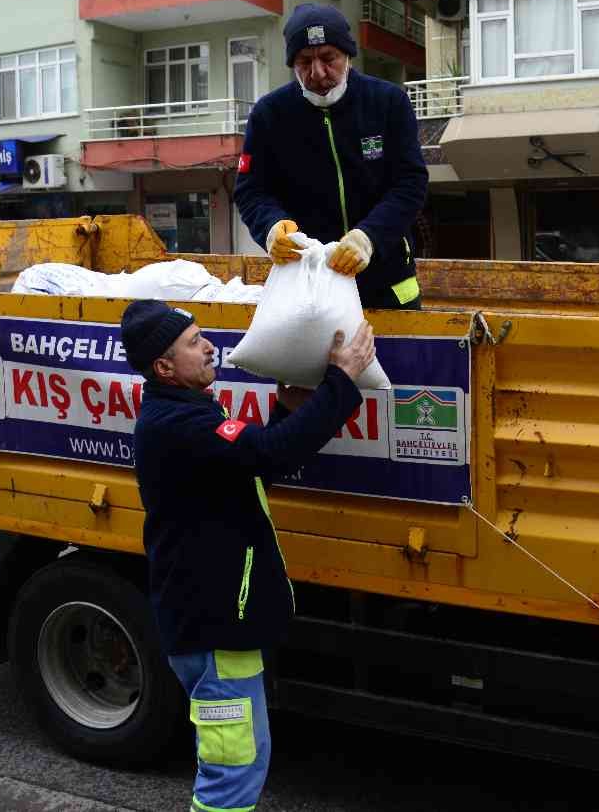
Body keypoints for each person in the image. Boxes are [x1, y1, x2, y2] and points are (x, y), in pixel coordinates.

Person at [122, 298, 376, 812]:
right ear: (164, 367)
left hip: (213, 622)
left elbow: (246, 466)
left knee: (243, 757)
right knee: (232, 771)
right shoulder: (176, 423)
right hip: (213, 628)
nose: (209, 345)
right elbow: (267, 454)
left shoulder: (188, 410)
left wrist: (287, 411)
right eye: (194, 342)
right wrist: (340, 383)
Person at [235, 2, 429, 310]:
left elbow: (410, 183)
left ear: (348, 55)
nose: (318, 73)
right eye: (304, 61)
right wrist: (272, 227)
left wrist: (368, 238)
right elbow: (251, 191)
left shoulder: (389, 103)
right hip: (308, 287)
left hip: (388, 286)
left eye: (329, 58)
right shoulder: (269, 115)